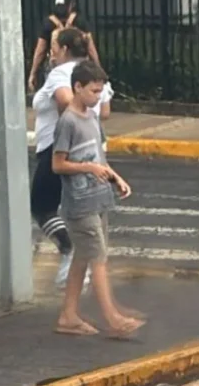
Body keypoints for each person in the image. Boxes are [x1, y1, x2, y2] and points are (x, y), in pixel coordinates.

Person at [51, 60, 144, 338]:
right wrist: (89, 169)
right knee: (98, 258)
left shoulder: (91, 118)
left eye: (100, 92)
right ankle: (112, 319)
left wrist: (116, 178)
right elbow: (58, 165)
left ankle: (68, 316)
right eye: (93, 91)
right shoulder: (67, 122)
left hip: (98, 198)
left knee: (83, 257)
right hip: (79, 204)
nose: (97, 97)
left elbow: (99, 157)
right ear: (77, 87)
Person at [31, 28, 95, 291]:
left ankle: (70, 250)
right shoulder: (89, 72)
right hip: (86, 148)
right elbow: (104, 110)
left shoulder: (60, 73)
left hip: (55, 147)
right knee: (73, 207)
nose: (50, 52)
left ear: (65, 49)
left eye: (54, 46)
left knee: (40, 205)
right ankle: (79, 270)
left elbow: (66, 100)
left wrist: (69, 124)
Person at [27, 0, 101, 94]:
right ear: (71, 4)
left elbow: (40, 50)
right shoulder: (79, 21)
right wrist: (97, 68)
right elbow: (91, 48)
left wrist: (33, 73)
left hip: (55, 66)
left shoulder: (48, 23)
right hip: (79, 66)